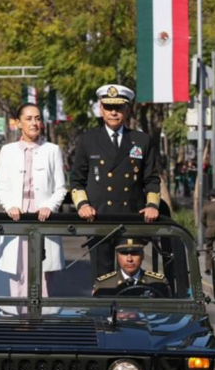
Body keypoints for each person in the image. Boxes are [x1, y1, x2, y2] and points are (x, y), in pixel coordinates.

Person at [68, 84, 161, 278]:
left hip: (131, 219)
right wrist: (83, 205)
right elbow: (77, 180)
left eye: (118, 108)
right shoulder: (88, 140)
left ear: (127, 110)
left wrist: (152, 205)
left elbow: (151, 179)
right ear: (101, 109)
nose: (113, 113)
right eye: (109, 108)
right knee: (102, 279)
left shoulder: (141, 140)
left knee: (131, 276)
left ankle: (130, 309)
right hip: (99, 218)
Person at [0, 102, 68, 297]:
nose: (34, 123)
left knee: (45, 276)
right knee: (17, 274)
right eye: (28, 119)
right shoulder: (7, 151)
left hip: (44, 219)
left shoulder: (52, 150)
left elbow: (61, 188)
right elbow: (1, 187)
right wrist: (9, 206)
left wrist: (49, 207)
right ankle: (20, 324)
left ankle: (43, 323)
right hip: (17, 220)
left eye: (37, 118)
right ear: (19, 123)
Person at [92, 238, 167, 296]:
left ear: (142, 255)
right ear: (117, 256)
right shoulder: (104, 285)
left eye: (134, 253)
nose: (129, 259)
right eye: (124, 253)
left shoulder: (158, 283)